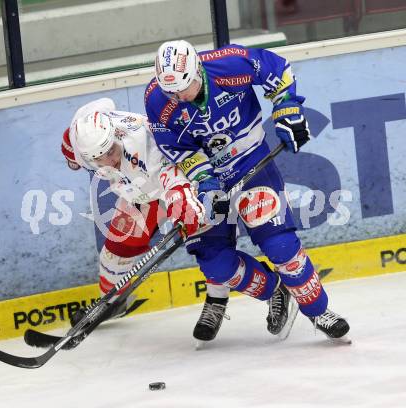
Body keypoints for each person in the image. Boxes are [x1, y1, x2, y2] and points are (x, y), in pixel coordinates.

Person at [144, 40, 350, 341]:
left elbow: (277, 70)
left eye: (183, 88)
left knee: (281, 246)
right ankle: (276, 291)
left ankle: (319, 312)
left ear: (197, 70)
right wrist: (207, 182)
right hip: (204, 179)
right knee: (215, 261)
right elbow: (177, 149)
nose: (178, 96)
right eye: (170, 91)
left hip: (249, 162)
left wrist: (286, 107)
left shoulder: (229, 64)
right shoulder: (157, 100)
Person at [61, 97, 231, 331]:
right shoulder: (83, 142)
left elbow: (172, 175)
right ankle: (109, 303)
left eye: (112, 150)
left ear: (115, 136)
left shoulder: (145, 146)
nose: (110, 160)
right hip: (140, 194)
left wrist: (183, 208)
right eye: (101, 158)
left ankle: (217, 299)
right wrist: (72, 158)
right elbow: (80, 133)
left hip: (181, 180)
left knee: (206, 243)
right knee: (115, 254)